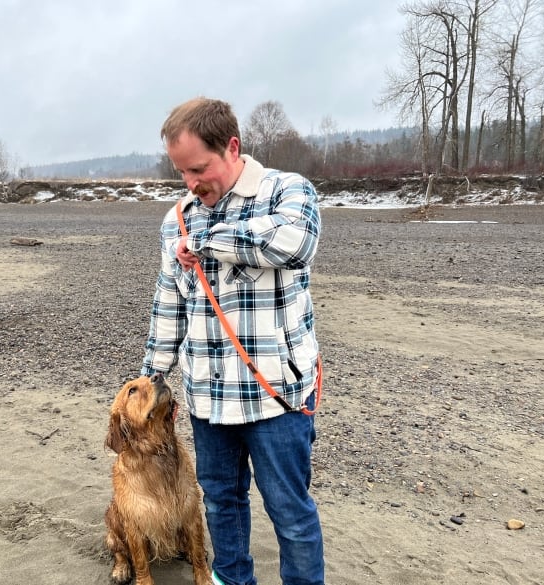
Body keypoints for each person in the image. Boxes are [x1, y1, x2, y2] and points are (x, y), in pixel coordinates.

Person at [141, 97, 324, 585]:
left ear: (233, 147)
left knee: (290, 513)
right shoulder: (177, 218)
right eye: (181, 172)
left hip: (275, 396)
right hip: (207, 396)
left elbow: (293, 243)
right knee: (221, 502)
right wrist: (152, 371)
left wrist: (203, 244)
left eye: (198, 168)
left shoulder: (287, 192)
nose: (191, 184)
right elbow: (169, 302)